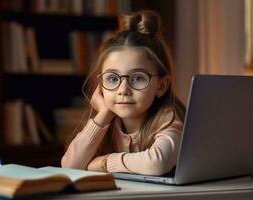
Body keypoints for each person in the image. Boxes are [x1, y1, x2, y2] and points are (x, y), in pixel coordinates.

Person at [61, 10, 185, 176]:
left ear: (161, 86)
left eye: (137, 78)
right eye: (112, 78)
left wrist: (104, 163)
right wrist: (103, 115)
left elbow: (157, 163)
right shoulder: (109, 124)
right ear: (101, 86)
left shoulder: (167, 119)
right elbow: (69, 165)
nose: (123, 90)